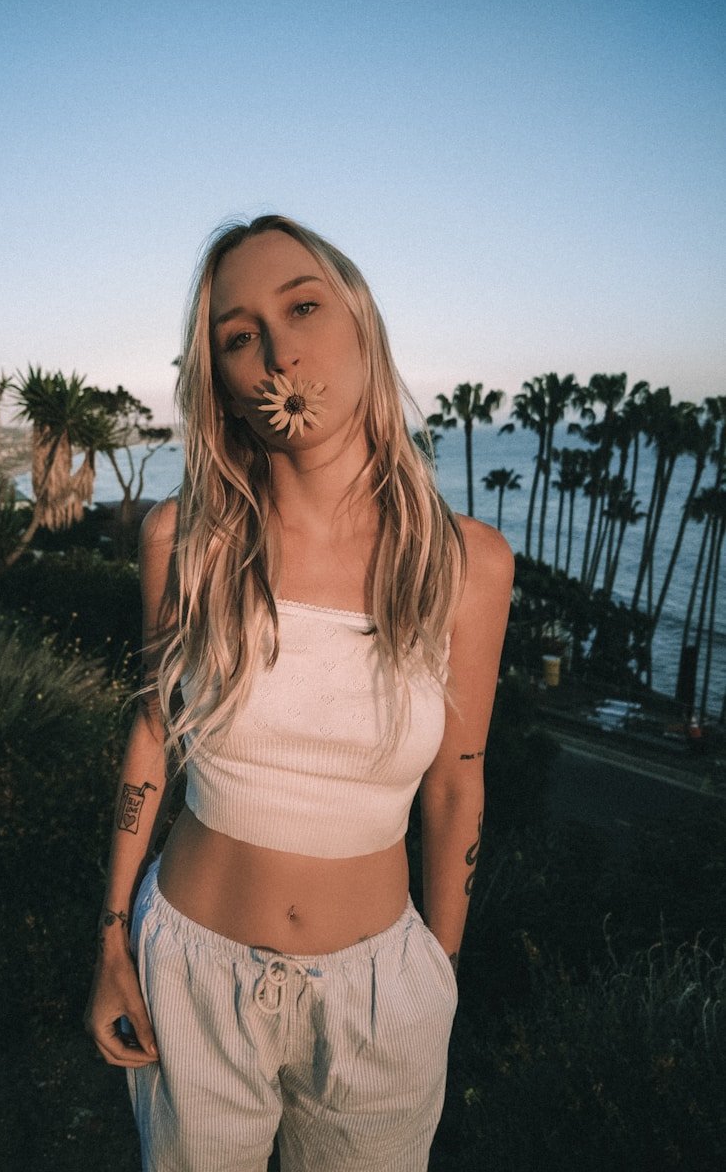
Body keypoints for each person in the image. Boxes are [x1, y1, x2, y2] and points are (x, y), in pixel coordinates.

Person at [84, 215, 513, 1172]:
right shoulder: (184, 540)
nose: (280, 351)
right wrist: (112, 940)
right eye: (240, 335)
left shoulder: (465, 564)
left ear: (361, 325)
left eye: (304, 307)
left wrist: (433, 977)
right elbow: (152, 733)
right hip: (189, 975)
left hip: (381, 998)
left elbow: (456, 784)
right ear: (225, 386)